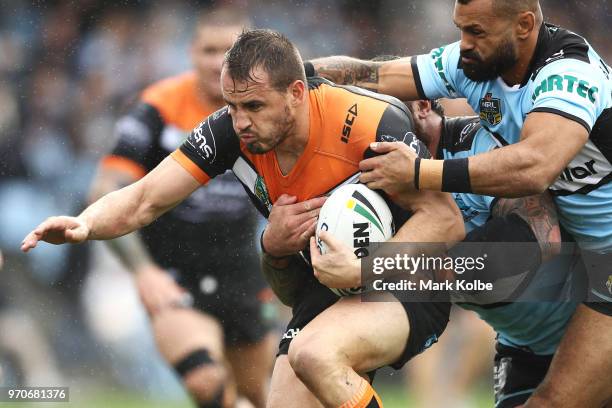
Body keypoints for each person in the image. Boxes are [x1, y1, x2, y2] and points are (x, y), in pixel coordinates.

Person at [21, 29, 465, 408]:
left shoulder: (370, 122)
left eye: (253, 106)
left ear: (296, 93)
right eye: (232, 107)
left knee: (315, 354)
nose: (240, 122)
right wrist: (86, 224)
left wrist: (368, 266)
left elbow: (445, 221)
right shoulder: (228, 132)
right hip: (323, 288)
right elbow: (143, 199)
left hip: (410, 279)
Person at [309, 1, 612, 405]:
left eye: (477, 32)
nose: (463, 44)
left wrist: (417, 175)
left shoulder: (569, 73)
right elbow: (371, 74)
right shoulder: (474, 63)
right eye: (461, 29)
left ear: (524, 25)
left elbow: (536, 166)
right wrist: (286, 77)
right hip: (559, 297)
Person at [314, 97, 580, 407]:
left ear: (423, 107)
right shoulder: (378, 180)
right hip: (523, 346)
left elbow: (543, 236)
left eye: (388, 116)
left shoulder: (478, 143)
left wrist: (376, 268)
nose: (379, 128)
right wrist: (275, 248)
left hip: (587, 321)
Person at [87, 9, 276, 408]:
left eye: (230, 51)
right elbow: (105, 188)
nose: (218, 62)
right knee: (207, 383)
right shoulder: (158, 107)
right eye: (209, 50)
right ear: (190, 52)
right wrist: (144, 272)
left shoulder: (271, 109)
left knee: (264, 397)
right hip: (175, 273)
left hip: (243, 272)